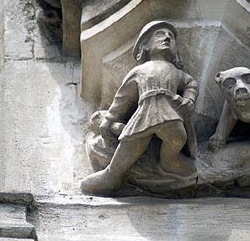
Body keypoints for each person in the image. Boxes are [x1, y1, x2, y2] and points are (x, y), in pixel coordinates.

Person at [81, 21, 199, 194]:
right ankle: (112, 174)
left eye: (171, 36)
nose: (167, 37)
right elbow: (122, 98)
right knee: (131, 141)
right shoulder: (139, 71)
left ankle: (169, 161)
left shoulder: (175, 71)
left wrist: (189, 99)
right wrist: (109, 119)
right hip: (146, 110)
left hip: (170, 111)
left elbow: (191, 83)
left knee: (178, 138)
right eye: (159, 34)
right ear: (145, 45)